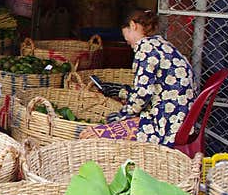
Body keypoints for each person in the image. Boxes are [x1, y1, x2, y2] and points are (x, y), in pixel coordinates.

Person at [80, 8, 195, 145]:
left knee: (92, 135)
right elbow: (156, 90)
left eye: (126, 35)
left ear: (132, 25)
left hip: (166, 124)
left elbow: (142, 96)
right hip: (180, 118)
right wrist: (121, 91)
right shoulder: (160, 44)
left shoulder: (145, 48)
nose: (126, 41)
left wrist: (121, 116)